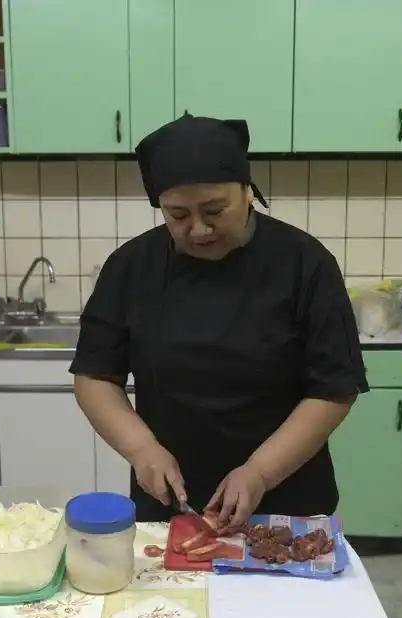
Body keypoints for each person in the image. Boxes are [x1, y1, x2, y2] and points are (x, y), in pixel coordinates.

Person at [69, 115, 368, 530]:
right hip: (171, 502)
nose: (199, 229)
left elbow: (334, 389)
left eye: (214, 210)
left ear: (247, 192)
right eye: (177, 215)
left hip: (287, 501)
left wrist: (260, 472)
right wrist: (141, 450)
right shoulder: (131, 267)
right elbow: (94, 376)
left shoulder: (305, 263)